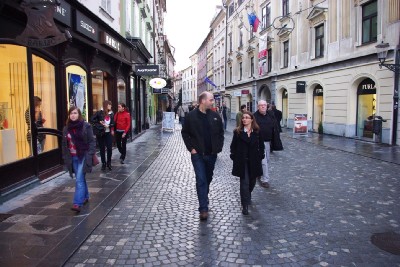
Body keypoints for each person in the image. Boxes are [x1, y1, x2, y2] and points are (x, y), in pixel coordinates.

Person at [181, 92, 224, 221]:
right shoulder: (191, 116)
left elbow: (221, 133)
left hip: (211, 154)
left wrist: (218, 147)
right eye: (211, 100)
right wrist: (191, 148)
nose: (213, 102)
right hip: (198, 154)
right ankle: (203, 209)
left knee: (208, 178)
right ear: (203, 101)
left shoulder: (215, 116)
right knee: (201, 179)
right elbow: (185, 133)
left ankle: (204, 196)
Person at [62, 106, 96, 212]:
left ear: (79, 114)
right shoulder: (66, 128)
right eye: (71, 113)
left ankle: (77, 203)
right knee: (80, 178)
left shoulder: (86, 126)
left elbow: (92, 141)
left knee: (79, 180)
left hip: (83, 156)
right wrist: (65, 156)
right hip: (73, 157)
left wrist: (89, 154)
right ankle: (85, 196)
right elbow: (64, 144)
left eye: (75, 113)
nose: (73, 115)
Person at [230, 111, 264, 215]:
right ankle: (245, 205)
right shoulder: (238, 132)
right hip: (242, 161)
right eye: (243, 118)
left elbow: (261, 146)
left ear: (251, 119)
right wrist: (234, 156)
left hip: (254, 161)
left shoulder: (257, 132)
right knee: (244, 183)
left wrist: (260, 156)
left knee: (252, 182)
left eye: (247, 117)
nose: (244, 119)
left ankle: (247, 194)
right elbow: (233, 146)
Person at [253, 100, 277, 189]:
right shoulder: (254, 117)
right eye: (261, 105)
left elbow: (275, 126)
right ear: (258, 107)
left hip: (268, 141)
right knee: (264, 161)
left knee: (266, 160)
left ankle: (259, 173)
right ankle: (265, 180)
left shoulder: (270, 115)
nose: (263, 107)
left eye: (264, 105)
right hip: (259, 142)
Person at [91, 100, 114, 171]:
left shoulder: (111, 113)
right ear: (106, 105)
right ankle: (103, 163)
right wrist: (99, 122)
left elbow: (113, 123)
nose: (111, 106)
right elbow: (92, 119)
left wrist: (109, 125)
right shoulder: (99, 113)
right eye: (109, 105)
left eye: (110, 105)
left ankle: (109, 163)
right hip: (101, 133)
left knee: (109, 148)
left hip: (108, 133)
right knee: (102, 149)